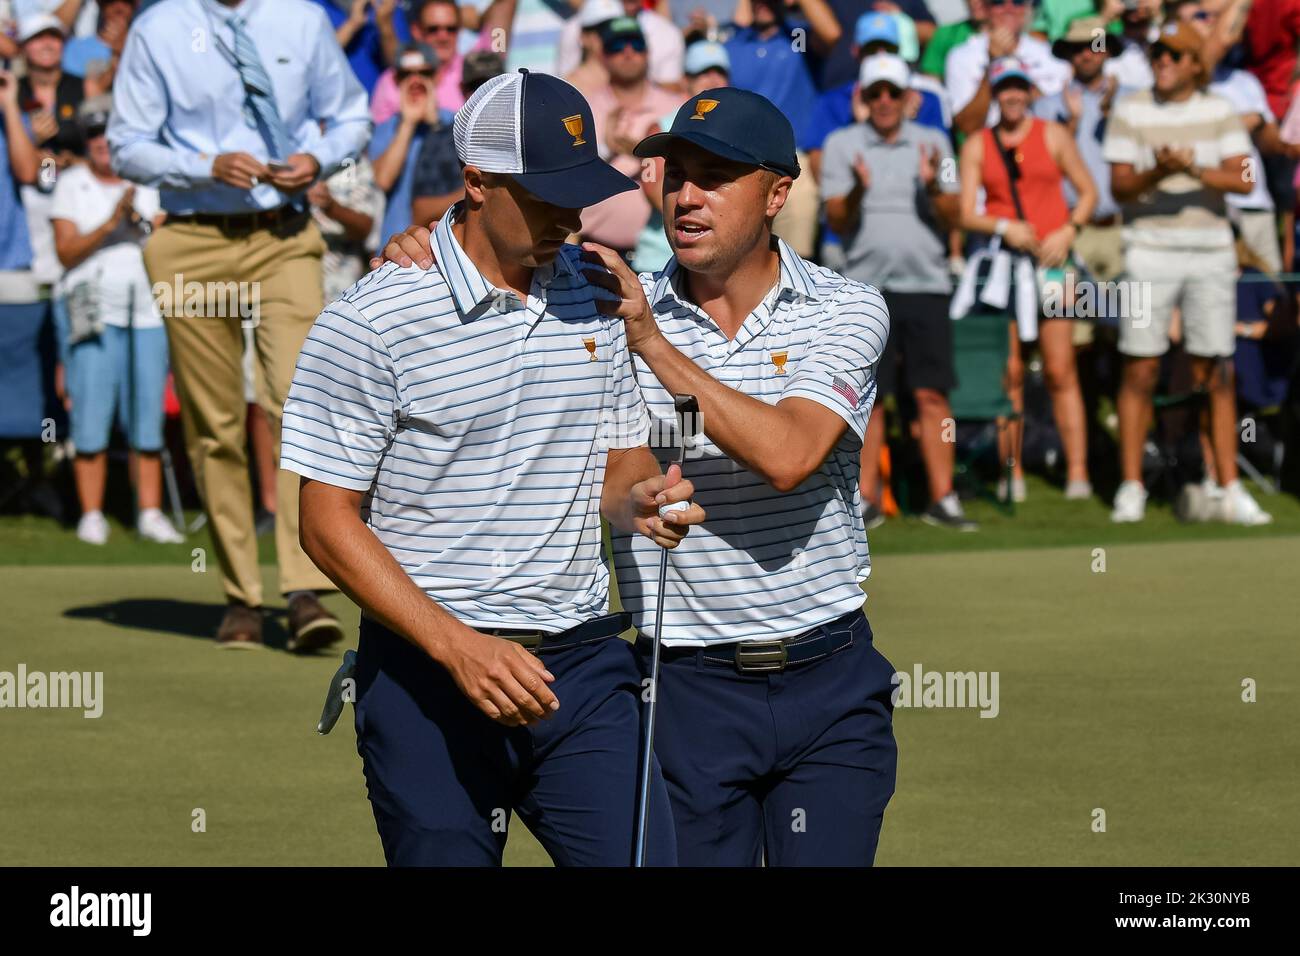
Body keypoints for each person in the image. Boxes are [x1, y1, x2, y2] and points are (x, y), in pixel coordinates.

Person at [379, 87, 900, 867]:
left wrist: (652, 344)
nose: (686, 196)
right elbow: (494, 264)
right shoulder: (601, 306)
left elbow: (791, 454)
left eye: (716, 175)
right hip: (678, 688)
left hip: (830, 679)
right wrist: (434, 241)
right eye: (674, 172)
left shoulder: (843, 307)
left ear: (777, 194)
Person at [286, 69, 703, 867]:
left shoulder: (593, 290)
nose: (568, 218)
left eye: (577, 195)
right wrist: (457, 647)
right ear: (475, 183)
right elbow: (325, 522)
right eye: (545, 196)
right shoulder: (371, 320)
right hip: (427, 678)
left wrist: (641, 497)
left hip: (580, 669)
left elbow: (617, 460)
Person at [109, 0, 371, 649]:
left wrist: (319, 158)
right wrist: (205, 164)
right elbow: (126, 145)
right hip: (191, 238)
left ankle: (305, 585)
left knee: (299, 406)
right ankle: (240, 596)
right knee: (216, 422)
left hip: (284, 235)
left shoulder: (302, 20)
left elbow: (353, 117)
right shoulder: (157, 27)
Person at [1103, 20, 1272, 524]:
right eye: (1158, 54)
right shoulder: (1130, 108)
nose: (1163, 62)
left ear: (1197, 64)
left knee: (1216, 369)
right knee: (1140, 366)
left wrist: (1192, 168)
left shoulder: (1220, 109)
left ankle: (1228, 488)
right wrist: (1159, 170)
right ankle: (1131, 487)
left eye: (1175, 55)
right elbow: (1120, 188)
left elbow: (1244, 178)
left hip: (1211, 251)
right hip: (1147, 250)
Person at [822, 53, 975, 530]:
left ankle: (943, 498)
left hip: (926, 285)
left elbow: (956, 218)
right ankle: (866, 500)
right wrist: (859, 192)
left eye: (892, 92)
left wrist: (933, 187)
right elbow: (838, 219)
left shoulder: (937, 142)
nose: (884, 101)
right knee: (870, 397)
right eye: (875, 94)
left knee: (932, 394)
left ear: (909, 97)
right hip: (865, 293)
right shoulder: (842, 144)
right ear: (863, 100)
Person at [959, 56, 1097, 502]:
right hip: (1006, 266)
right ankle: (1011, 472)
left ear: (1031, 92)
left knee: (1061, 369)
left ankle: (1078, 472)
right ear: (996, 95)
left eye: (1019, 87)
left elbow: (1088, 191)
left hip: (1054, 263)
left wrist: (1069, 229)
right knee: (1011, 372)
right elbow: (965, 213)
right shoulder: (978, 144)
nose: (1012, 96)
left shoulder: (1053, 135)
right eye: (1004, 89)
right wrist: (1003, 228)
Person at [51, 97, 183, 546]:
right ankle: (91, 513)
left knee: (147, 413)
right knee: (91, 410)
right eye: (93, 136)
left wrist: (139, 222)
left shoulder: (149, 183)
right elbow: (65, 252)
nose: (102, 143)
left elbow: (168, 240)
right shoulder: (70, 183)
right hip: (92, 308)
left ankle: (148, 511)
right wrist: (111, 223)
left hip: (147, 308)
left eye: (108, 135)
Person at [578, 17, 683, 257]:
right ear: (602, 56)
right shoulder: (582, 107)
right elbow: (570, 178)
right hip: (592, 249)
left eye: (636, 44)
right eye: (617, 46)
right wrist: (605, 148)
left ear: (648, 53)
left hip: (662, 255)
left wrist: (639, 152)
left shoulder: (678, 106)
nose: (628, 52)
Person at [1035, 16, 1128, 284]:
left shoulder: (1133, 99)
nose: (1087, 54)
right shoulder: (1046, 107)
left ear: (1107, 50)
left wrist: (1115, 116)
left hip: (1123, 228)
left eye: (1095, 45)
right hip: (1066, 231)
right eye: (1077, 48)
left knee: (1138, 319)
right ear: (1067, 55)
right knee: (1068, 320)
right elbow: (1037, 168)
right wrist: (1070, 127)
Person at [409, 49, 504, 227]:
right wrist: (481, 188)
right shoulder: (441, 139)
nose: (485, 94)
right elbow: (420, 213)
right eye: (476, 85)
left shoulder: (524, 135)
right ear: (462, 89)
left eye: (493, 84)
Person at [946, 0, 1071, 134]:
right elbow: (967, 126)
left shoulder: (1050, 55)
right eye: (999, 2)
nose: (1009, 8)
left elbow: (1056, 117)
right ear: (986, 8)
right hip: (988, 148)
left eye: (1017, 1)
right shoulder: (961, 56)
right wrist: (993, 64)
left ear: (1026, 8)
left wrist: (1014, 63)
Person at [371, 42, 449, 245]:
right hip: (397, 245)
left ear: (437, 76)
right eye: (406, 74)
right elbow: (382, 181)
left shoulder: (455, 122)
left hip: (445, 244)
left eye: (424, 73)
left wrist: (435, 126)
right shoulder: (386, 129)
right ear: (396, 79)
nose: (415, 81)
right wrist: (408, 123)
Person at [369, 0, 470, 123]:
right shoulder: (392, 80)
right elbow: (381, 138)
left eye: (451, 29)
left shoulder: (475, 72)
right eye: (433, 29)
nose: (443, 36)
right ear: (416, 31)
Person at [559, 0, 684, 89]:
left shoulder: (666, 32)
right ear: (584, 37)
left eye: (611, 26)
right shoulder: (571, 86)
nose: (605, 34)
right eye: (599, 29)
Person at [310, 0, 408, 94]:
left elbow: (400, 67)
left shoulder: (389, 6)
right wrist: (352, 24)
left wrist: (385, 25)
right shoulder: (310, 6)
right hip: (329, 105)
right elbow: (313, 61)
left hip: (378, 105)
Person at [61, 0, 135, 96]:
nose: (119, 8)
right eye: (111, 3)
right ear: (100, 6)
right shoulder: (76, 48)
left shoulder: (147, 44)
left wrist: (125, 48)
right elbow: (89, 94)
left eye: (126, 2)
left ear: (136, 5)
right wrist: (116, 56)